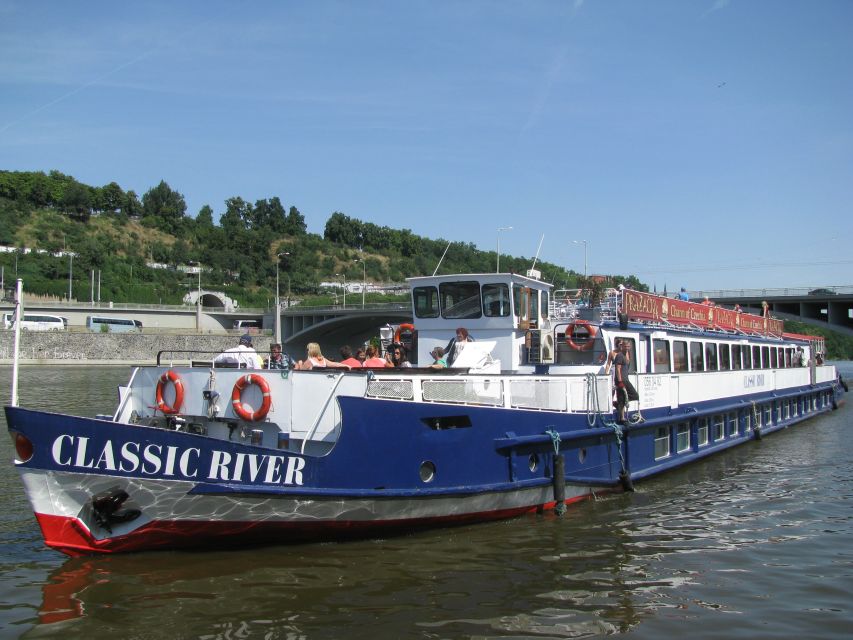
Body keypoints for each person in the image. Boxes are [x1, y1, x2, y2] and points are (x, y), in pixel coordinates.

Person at [613, 339, 639, 425]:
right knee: (625, 397)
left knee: (630, 397)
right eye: (625, 346)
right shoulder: (619, 355)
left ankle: (619, 406)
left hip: (626, 379)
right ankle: (621, 418)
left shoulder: (626, 355)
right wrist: (620, 381)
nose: (627, 348)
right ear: (622, 346)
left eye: (628, 346)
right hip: (621, 380)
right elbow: (617, 369)